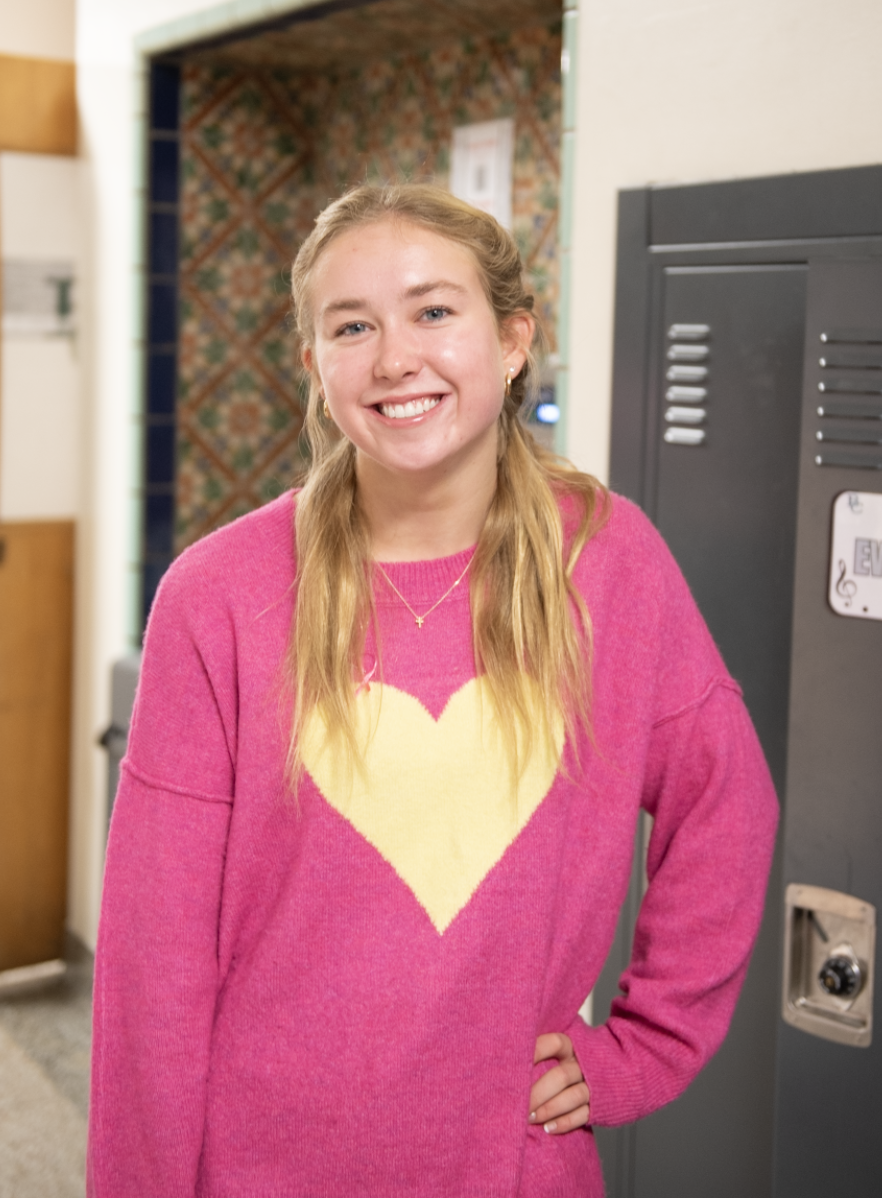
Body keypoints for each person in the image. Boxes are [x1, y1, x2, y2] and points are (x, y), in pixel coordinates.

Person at [87, 183, 778, 1197]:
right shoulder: (220, 594)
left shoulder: (608, 561)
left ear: (510, 340)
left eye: (433, 311)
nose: (395, 356)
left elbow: (727, 803)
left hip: (511, 1163)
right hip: (251, 1162)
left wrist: (648, 1045)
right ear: (317, 365)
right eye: (352, 325)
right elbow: (155, 960)